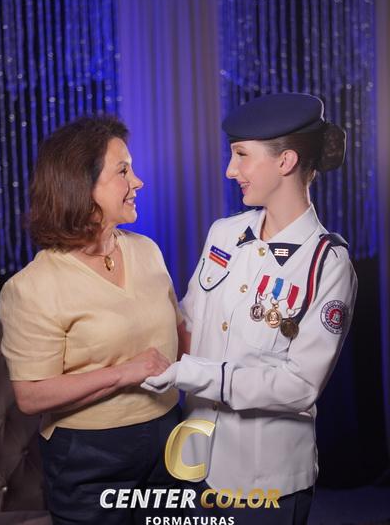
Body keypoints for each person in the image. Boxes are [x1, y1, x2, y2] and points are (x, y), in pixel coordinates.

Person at [142, 93, 358, 524]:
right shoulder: (224, 234)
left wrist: (192, 374)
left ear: (285, 161)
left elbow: (300, 385)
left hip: (264, 481)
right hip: (193, 461)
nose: (230, 169)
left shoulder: (327, 264)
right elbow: (189, 323)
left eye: (241, 155)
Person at [0, 115, 186, 525]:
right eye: (123, 171)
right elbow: (31, 396)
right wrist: (123, 373)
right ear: (81, 187)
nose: (138, 182)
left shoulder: (147, 250)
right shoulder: (32, 286)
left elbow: (179, 335)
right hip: (90, 457)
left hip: (169, 438)